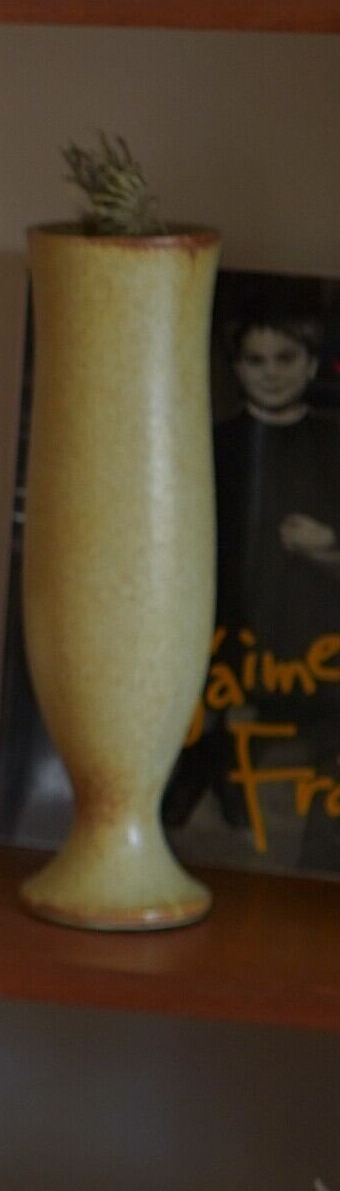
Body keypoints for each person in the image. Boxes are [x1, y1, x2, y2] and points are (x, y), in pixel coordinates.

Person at [166, 303, 340, 863]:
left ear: (311, 364)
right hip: (217, 643)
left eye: (285, 358)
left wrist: (330, 548)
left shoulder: (333, 445)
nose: (270, 373)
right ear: (236, 368)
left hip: (316, 651)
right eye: (255, 360)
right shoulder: (205, 445)